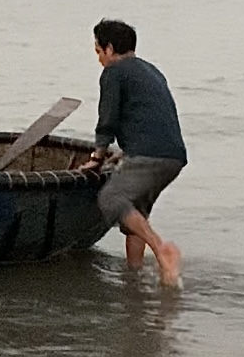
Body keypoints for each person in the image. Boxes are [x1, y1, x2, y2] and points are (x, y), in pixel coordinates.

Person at [80, 19, 187, 287]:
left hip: (149, 156)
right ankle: (135, 277)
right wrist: (127, 152)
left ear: (110, 48)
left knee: (111, 198)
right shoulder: (151, 71)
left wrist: (97, 157)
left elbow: (108, 119)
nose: (99, 59)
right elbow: (147, 117)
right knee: (136, 212)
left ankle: (160, 249)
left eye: (98, 51)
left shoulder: (114, 72)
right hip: (173, 156)